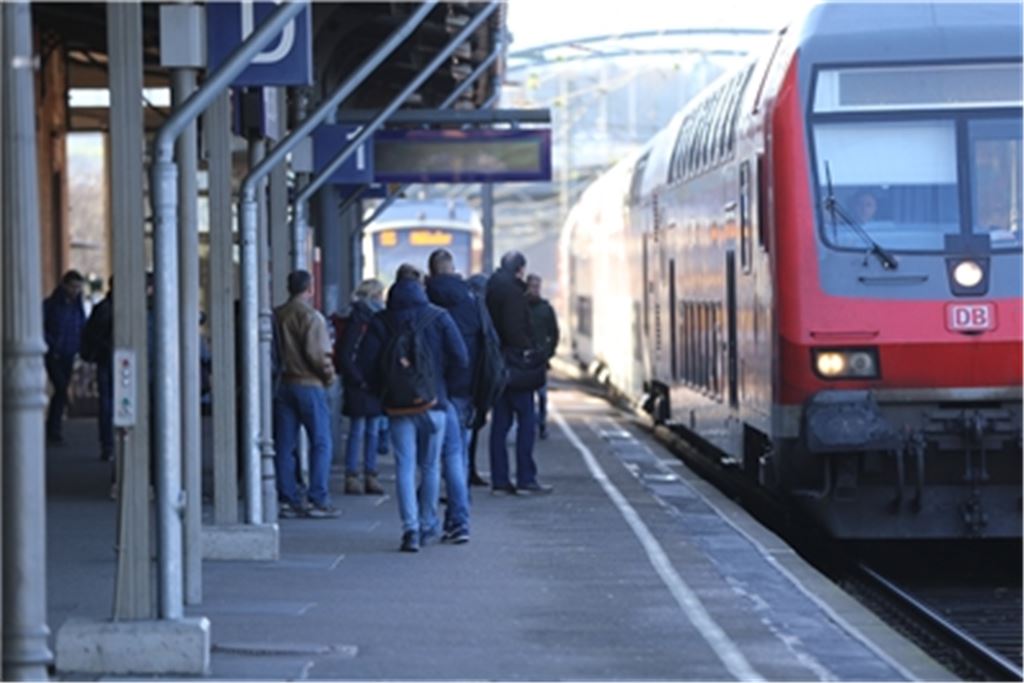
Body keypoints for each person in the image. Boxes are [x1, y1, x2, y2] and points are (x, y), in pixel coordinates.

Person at [357, 264, 468, 552]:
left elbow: (364, 363)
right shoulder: (439, 317)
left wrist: (383, 391)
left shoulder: (382, 320)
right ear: (421, 288)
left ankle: (411, 530)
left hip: (397, 406)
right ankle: (428, 523)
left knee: (404, 466)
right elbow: (461, 358)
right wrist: (442, 388)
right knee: (430, 466)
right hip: (434, 404)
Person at [425, 249, 488, 543]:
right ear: (453, 269)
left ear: (432, 271)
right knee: (457, 456)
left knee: (431, 459)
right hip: (466, 389)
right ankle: (458, 521)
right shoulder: (471, 300)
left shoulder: (425, 299)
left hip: (434, 389)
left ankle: (437, 522)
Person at [272, 270, 339, 519]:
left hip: (284, 383)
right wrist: (329, 377)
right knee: (321, 442)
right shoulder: (311, 317)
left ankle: (287, 499)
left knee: (284, 444)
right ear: (310, 289)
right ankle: (318, 499)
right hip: (310, 384)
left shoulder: (277, 314)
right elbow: (318, 355)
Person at [486, 252, 552, 496]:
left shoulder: (492, 289)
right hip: (515, 366)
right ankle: (526, 478)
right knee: (527, 421)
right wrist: (529, 351)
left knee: (500, 424)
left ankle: (500, 480)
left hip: (497, 365)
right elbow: (515, 330)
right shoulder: (513, 293)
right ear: (520, 269)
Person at [337, 279, 386, 496]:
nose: (381, 300)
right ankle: (359, 474)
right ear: (372, 296)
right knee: (361, 431)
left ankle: (363, 474)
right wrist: (359, 380)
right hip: (363, 384)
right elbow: (346, 354)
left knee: (368, 430)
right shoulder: (360, 320)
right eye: (379, 295)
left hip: (367, 383)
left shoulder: (367, 318)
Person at [43, 270, 88, 445]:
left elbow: (81, 325)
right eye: (73, 287)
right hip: (54, 353)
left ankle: (54, 427)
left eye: (78, 288)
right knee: (61, 388)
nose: (75, 291)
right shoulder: (51, 305)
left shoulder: (77, 306)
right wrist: (51, 344)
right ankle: (53, 428)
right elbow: (42, 326)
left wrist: (79, 346)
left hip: (69, 353)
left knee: (61, 390)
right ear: (65, 285)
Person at [81, 277, 115, 461]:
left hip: (104, 358)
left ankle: (107, 445)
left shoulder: (102, 308)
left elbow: (90, 333)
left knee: (107, 402)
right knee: (113, 402)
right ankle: (111, 444)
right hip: (113, 358)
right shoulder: (123, 309)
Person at [526, 274, 560, 440]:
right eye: (532, 286)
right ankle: (531, 423)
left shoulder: (546, 309)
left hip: (540, 359)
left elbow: (554, 332)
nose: (535, 290)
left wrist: (549, 352)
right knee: (528, 395)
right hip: (525, 358)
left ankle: (541, 423)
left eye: (537, 287)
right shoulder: (521, 307)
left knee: (542, 394)